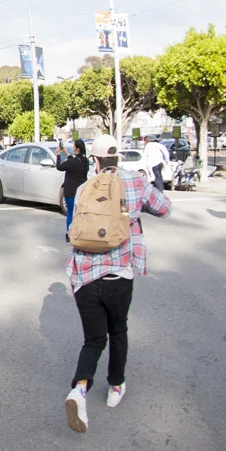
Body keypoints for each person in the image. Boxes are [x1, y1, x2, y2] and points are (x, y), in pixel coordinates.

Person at [64, 135, 171, 434]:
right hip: (119, 276)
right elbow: (165, 208)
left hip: (85, 276)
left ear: (95, 160)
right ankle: (115, 387)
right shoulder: (135, 183)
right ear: (118, 157)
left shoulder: (86, 188)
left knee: (94, 339)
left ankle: (80, 388)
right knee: (118, 330)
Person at [56, 139, 91, 243]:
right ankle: (80, 232)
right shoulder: (85, 161)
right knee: (79, 213)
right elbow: (73, 161)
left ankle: (69, 232)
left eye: (74, 147)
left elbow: (59, 167)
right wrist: (66, 152)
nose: (73, 149)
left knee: (71, 212)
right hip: (81, 191)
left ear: (77, 149)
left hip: (70, 191)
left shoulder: (73, 162)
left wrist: (58, 155)